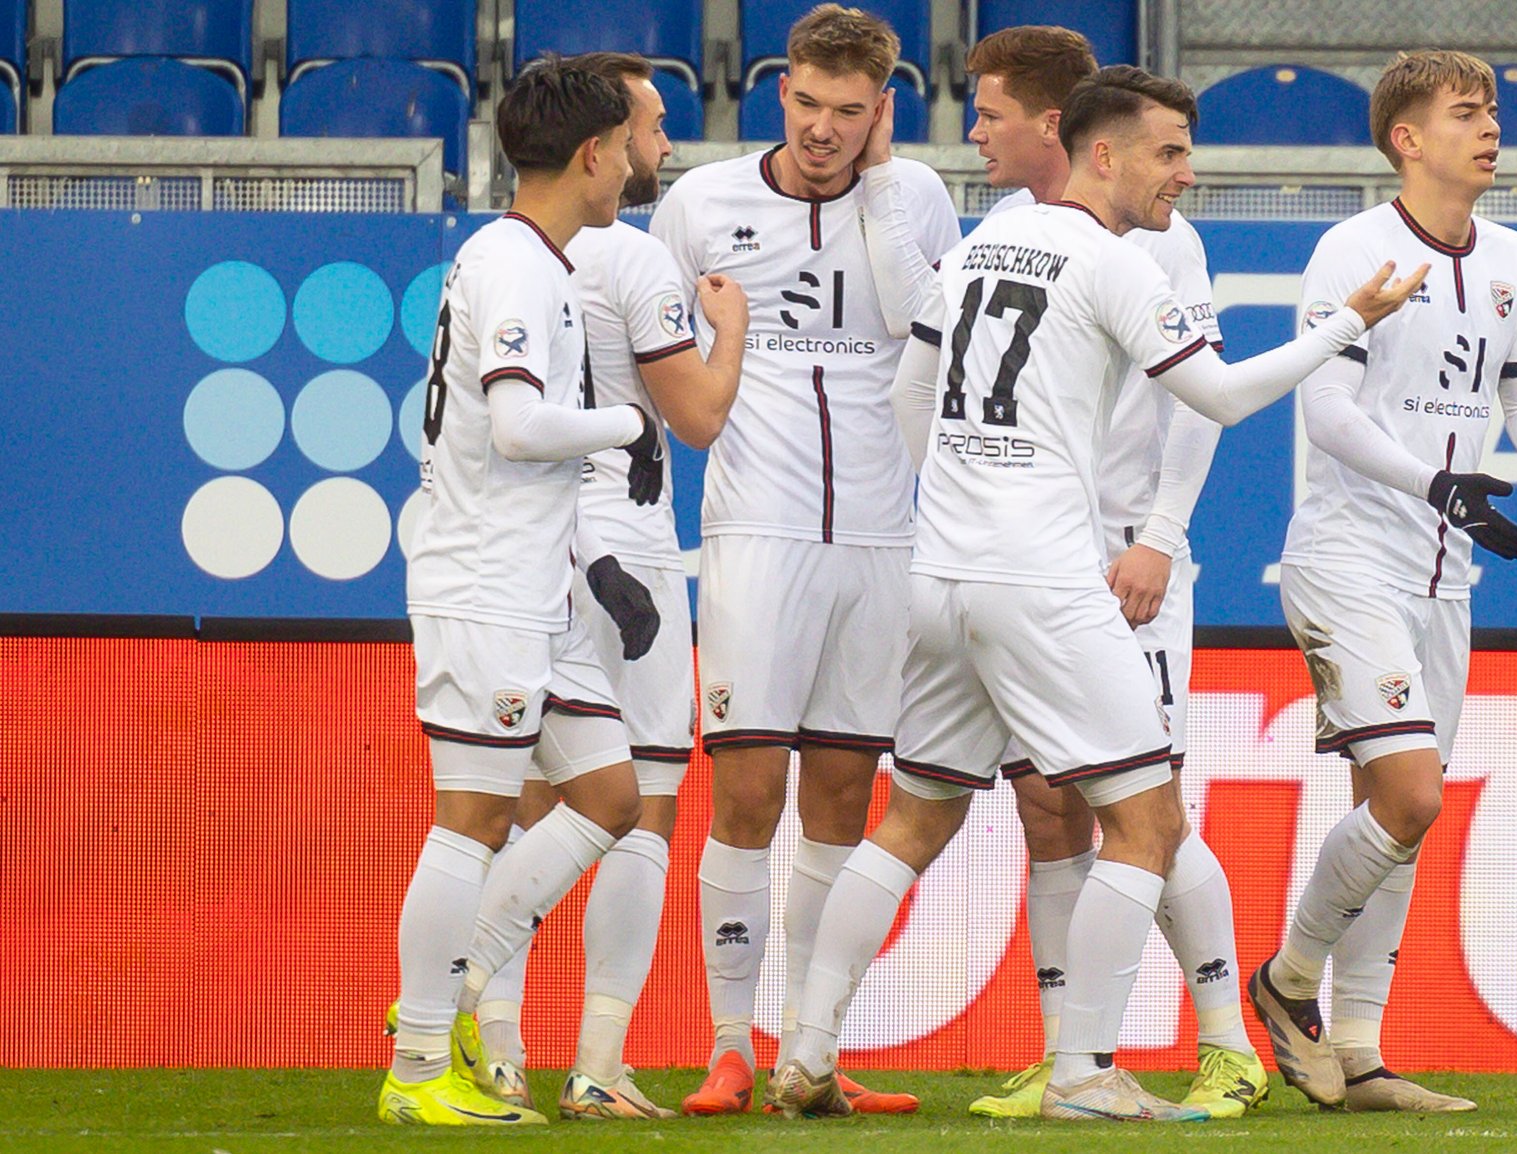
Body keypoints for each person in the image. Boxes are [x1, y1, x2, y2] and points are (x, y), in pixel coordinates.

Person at [770, 65, 1426, 1122]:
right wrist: (1342, 325)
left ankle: (803, 1049)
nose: (1186, 173)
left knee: (914, 818)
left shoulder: (983, 242)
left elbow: (910, 390)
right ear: (1102, 153)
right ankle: (1082, 1070)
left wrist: (954, 498)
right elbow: (1214, 393)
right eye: (1167, 151)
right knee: (1147, 820)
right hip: (1041, 576)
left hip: (939, 575)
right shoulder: (1110, 258)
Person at [1247, 49, 1517, 1112]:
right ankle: (1285, 978)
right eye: (1465, 113)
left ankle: (1357, 1050)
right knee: (1409, 795)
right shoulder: (1352, 248)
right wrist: (1433, 478)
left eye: (1491, 113)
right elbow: (1326, 411)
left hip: (1443, 574)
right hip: (1346, 556)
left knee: (1394, 815)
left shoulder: (1512, 258)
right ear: (1405, 137)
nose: (1490, 130)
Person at [864, 27, 1263, 1120]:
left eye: (988, 111)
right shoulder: (1007, 229)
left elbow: (1200, 400)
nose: (975, 130)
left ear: (1055, 124)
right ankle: (1069, 1053)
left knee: (1149, 802)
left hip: (1122, 559)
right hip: (1030, 561)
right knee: (1049, 807)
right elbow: (925, 393)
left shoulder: (1156, 234)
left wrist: (1159, 535)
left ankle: (1227, 1040)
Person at [647, 3, 960, 1116]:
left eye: (849, 112)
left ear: (882, 111)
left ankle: (811, 1046)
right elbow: (645, 350)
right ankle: (730, 1040)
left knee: (841, 795)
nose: (824, 130)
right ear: (779, 92)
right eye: (809, 105)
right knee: (744, 790)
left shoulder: (915, 196)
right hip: (756, 532)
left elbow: (931, 333)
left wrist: (878, 187)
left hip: (883, 533)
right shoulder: (700, 204)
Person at [455, 51, 750, 1122]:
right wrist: (734, 331)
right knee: (640, 807)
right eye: (648, 127)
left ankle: (496, 1053)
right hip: (621, 542)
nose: (659, 144)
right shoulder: (625, 256)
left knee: (529, 800)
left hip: (530, 542)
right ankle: (594, 1055)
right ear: (601, 142)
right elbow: (700, 416)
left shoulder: (500, 255)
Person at [380, 55, 662, 1126]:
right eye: (630, 145)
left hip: (537, 583)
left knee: (608, 797)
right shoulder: (517, 265)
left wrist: (595, 562)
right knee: (473, 817)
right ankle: (415, 1068)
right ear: (593, 154)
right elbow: (515, 424)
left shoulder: (533, 259)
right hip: (485, 580)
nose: (637, 162)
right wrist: (626, 425)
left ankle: (440, 989)